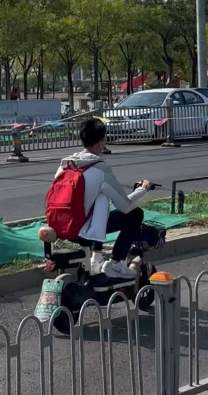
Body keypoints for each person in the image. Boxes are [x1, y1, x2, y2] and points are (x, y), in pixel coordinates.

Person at [53, 116, 152, 278]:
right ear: (100, 142)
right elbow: (124, 205)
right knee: (135, 214)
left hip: (62, 227)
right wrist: (143, 189)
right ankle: (115, 263)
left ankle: (96, 257)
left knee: (99, 201)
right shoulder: (99, 169)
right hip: (83, 231)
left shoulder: (65, 165)